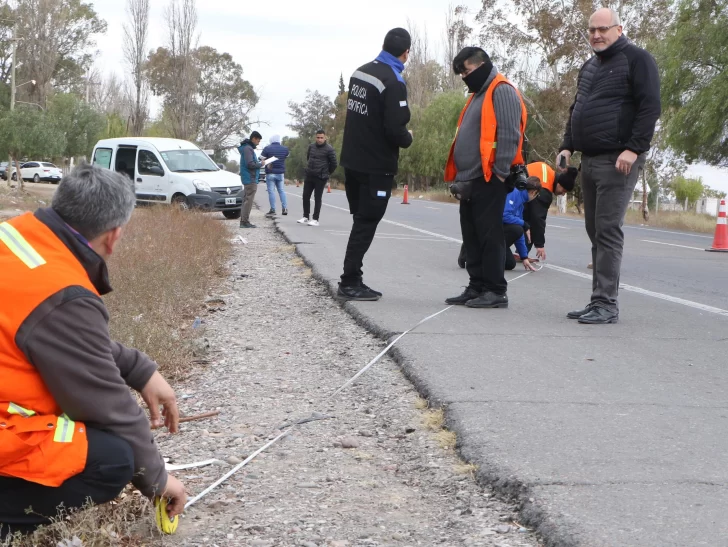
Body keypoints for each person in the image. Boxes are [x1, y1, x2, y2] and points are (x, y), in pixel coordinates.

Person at [0, 164, 186, 539]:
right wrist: (158, 478)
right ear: (114, 235)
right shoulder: (59, 289)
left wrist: (140, 370)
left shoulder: (17, 236)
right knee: (113, 458)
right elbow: (107, 407)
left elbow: (57, 336)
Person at [557, 7, 660, 324]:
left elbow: (650, 105)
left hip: (619, 159)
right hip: (590, 157)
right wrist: (567, 145)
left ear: (619, 29)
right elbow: (579, 107)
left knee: (607, 230)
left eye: (603, 29)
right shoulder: (589, 66)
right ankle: (597, 300)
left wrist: (633, 148)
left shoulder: (637, 59)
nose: (597, 35)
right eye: (592, 30)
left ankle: (606, 304)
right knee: (594, 229)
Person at [444, 46, 527, 309]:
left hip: (490, 177)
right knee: (472, 234)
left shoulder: (501, 91)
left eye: (467, 71)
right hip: (471, 178)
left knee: (490, 235)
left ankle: (495, 290)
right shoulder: (478, 95)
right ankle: (476, 285)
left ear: (481, 66)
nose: (464, 77)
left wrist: (501, 174)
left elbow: (509, 135)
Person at [336, 28, 413, 300]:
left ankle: (352, 277)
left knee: (360, 220)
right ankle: (350, 281)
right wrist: (408, 138)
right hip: (375, 165)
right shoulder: (393, 81)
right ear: (405, 53)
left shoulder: (360, 72)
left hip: (352, 162)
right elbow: (396, 129)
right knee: (366, 222)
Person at [457, 161, 578, 268]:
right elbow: (538, 219)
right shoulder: (543, 190)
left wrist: (524, 256)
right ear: (560, 184)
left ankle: (512, 253)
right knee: (523, 224)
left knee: (520, 232)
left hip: (513, 182)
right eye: (564, 191)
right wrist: (540, 244)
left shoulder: (546, 170)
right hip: (497, 212)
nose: (562, 194)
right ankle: (480, 250)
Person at [297, 129, 337, 227]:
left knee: (317, 198)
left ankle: (315, 219)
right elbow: (308, 158)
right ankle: (305, 217)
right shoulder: (311, 147)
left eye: (321, 138)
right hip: (310, 175)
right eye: (318, 137)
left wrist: (326, 173)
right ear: (316, 137)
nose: (319, 139)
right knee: (305, 196)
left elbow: (334, 164)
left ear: (325, 138)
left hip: (321, 177)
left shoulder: (329, 149)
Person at [503, 176, 542, 271]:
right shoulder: (514, 193)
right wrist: (524, 224)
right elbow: (504, 215)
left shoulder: (521, 203)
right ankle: (478, 251)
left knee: (510, 264)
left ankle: (492, 254)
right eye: (537, 194)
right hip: (490, 229)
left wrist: (524, 257)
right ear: (533, 192)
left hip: (499, 231)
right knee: (517, 229)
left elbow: (519, 233)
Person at [238, 131, 263, 229]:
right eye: (258, 140)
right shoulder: (248, 149)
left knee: (246, 200)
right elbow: (250, 164)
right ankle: (245, 221)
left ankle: (244, 221)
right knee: (248, 201)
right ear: (254, 138)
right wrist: (261, 164)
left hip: (248, 177)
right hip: (250, 178)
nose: (258, 143)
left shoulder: (247, 148)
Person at [261, 134, 290, 217]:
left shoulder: (267, 148)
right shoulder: (285, 149)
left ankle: (273, 209)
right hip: (280, 173)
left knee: (271, 191)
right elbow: (287, 155)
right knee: (281, 190)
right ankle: (284, 208)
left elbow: (261, 158)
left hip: (270, 172)